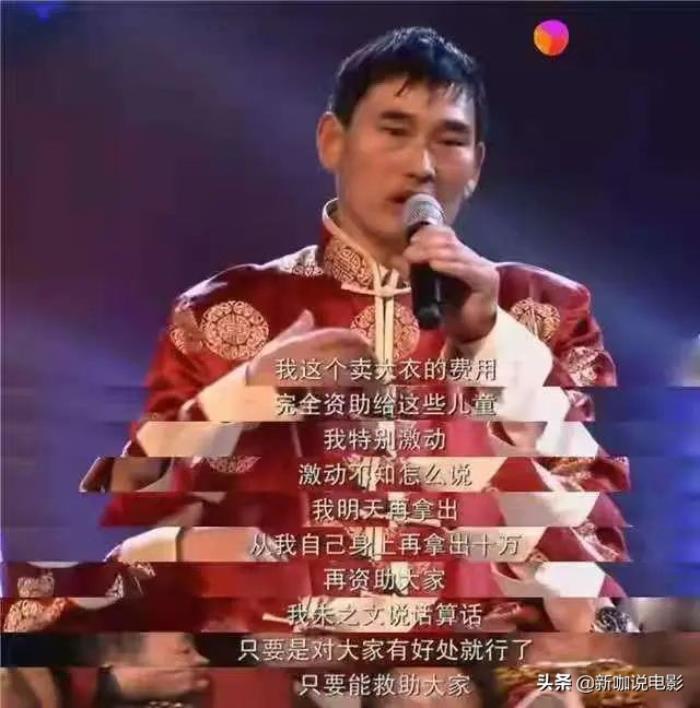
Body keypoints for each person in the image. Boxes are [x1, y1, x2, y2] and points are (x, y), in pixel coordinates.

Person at [2, 26, 635, 706]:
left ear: (476, 164)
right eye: (394, 130)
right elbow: (143, 495)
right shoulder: (228, 309)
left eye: (449, 140)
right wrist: (249, 392)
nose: (422, 165)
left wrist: (487, 341)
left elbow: (584, 526)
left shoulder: (544, 309)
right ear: (333, 141)